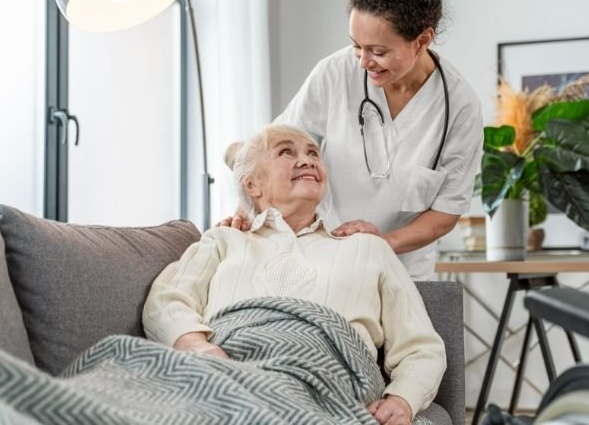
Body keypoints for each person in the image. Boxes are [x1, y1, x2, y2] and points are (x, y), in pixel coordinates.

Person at [143, 124, 447, 425]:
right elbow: (167, 299)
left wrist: (402, 400)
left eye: (313, 153)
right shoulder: (224, 239)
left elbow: (421, 346)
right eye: (286, 152)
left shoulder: (368, 247)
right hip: (227, 375)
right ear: (252, 185)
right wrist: (197, 346)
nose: (307, 160)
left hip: (333, 384)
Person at [220, 0, 483, 281]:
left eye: (378, 51)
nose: (362, 61)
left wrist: (382, 243)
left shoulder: (459, 107)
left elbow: (444, 214)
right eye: (357, 45)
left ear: (422, 40)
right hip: (320, 258)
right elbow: (274, 150)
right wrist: (245, 212)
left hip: (403, 270)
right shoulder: (335, 73)